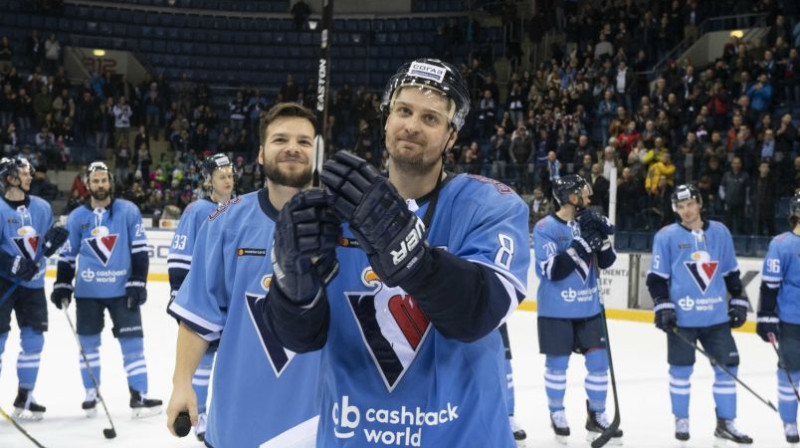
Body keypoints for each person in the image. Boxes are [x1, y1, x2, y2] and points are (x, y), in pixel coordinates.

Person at [261, 58, 530, 447]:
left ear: (451, 136)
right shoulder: (333, 211)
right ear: (386, 119)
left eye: (431, 118)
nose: (412, 126)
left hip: (462, 437)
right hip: (353, 437)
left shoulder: (489, 204)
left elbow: (478, 312)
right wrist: (291, 285)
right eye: (403, 111)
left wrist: (408, 252)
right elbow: (299, 338)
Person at [165, 103, 322, 447]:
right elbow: (198, 316)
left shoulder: (342, 225)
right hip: (240, 423)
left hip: (319, 426)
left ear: (315, 153)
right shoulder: (224, 223)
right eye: (280, 139)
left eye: (304, 141)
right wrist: (182, 383)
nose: (293, 147)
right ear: (262, 154)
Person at [52, 161, 162, 418]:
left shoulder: (128, 211)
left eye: (104, 180)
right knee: (88, 345)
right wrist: (62, 284)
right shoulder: (77, 217)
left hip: (122, 291)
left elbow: (139, 250)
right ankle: (92, 393)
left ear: (110, 182)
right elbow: (68, 256)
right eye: (95, 181)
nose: (100, 185)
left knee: (133, 345)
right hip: (88, 292)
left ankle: (139, 395)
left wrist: (138, 281)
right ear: (87, 184)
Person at [647, 184, 752, 444]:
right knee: (680, 370)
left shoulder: (720, 232)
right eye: (680, 207)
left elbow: (731, 273)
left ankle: (726, 422)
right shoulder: (665, 236)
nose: (686, 210)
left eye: (690, 204)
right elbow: (656, 279)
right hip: (682, 320)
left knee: (729, 368)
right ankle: (681, 419)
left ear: (700, 203)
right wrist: (663, 304)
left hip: (716, 319)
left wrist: (738, 298)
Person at [532, 174, 621, 443]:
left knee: (598, 364)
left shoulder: (587, 222)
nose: (589, 197)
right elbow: (552, 270)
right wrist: (582, 244)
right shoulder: (545, 227)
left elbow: (606, 262)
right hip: (556, 310)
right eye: (584, 193)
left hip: (589, 309)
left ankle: (597, 415)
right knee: (557, 366)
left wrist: (602, 239)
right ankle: (557, 412)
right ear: (571, 197)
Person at [165, 153, 234, 441]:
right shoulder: (196, 211)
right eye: (222, 177)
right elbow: (179, 258)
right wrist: (180, 297)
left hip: (232, 301)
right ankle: (201, 412)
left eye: (231, 175)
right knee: (203, 361)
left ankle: (225, 413)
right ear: (209, 181)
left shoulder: (240, 208)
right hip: (204, 302)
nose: (229, 181)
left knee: (230, 361)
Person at [0, 157, 68, 420]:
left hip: (34, 284)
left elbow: (47, 239)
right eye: (25, 173)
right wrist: (13, 265)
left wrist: (52, 243)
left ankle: (25, 395)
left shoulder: (41, 207)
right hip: (4, 283)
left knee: (34, 340)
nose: (31, 176)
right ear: (11, 178)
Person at [757, 192, 800, 445]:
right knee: (790, 373)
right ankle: (789, 420)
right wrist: (766, 316)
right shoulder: (782, 244)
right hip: (791, 320)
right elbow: (769, 285)